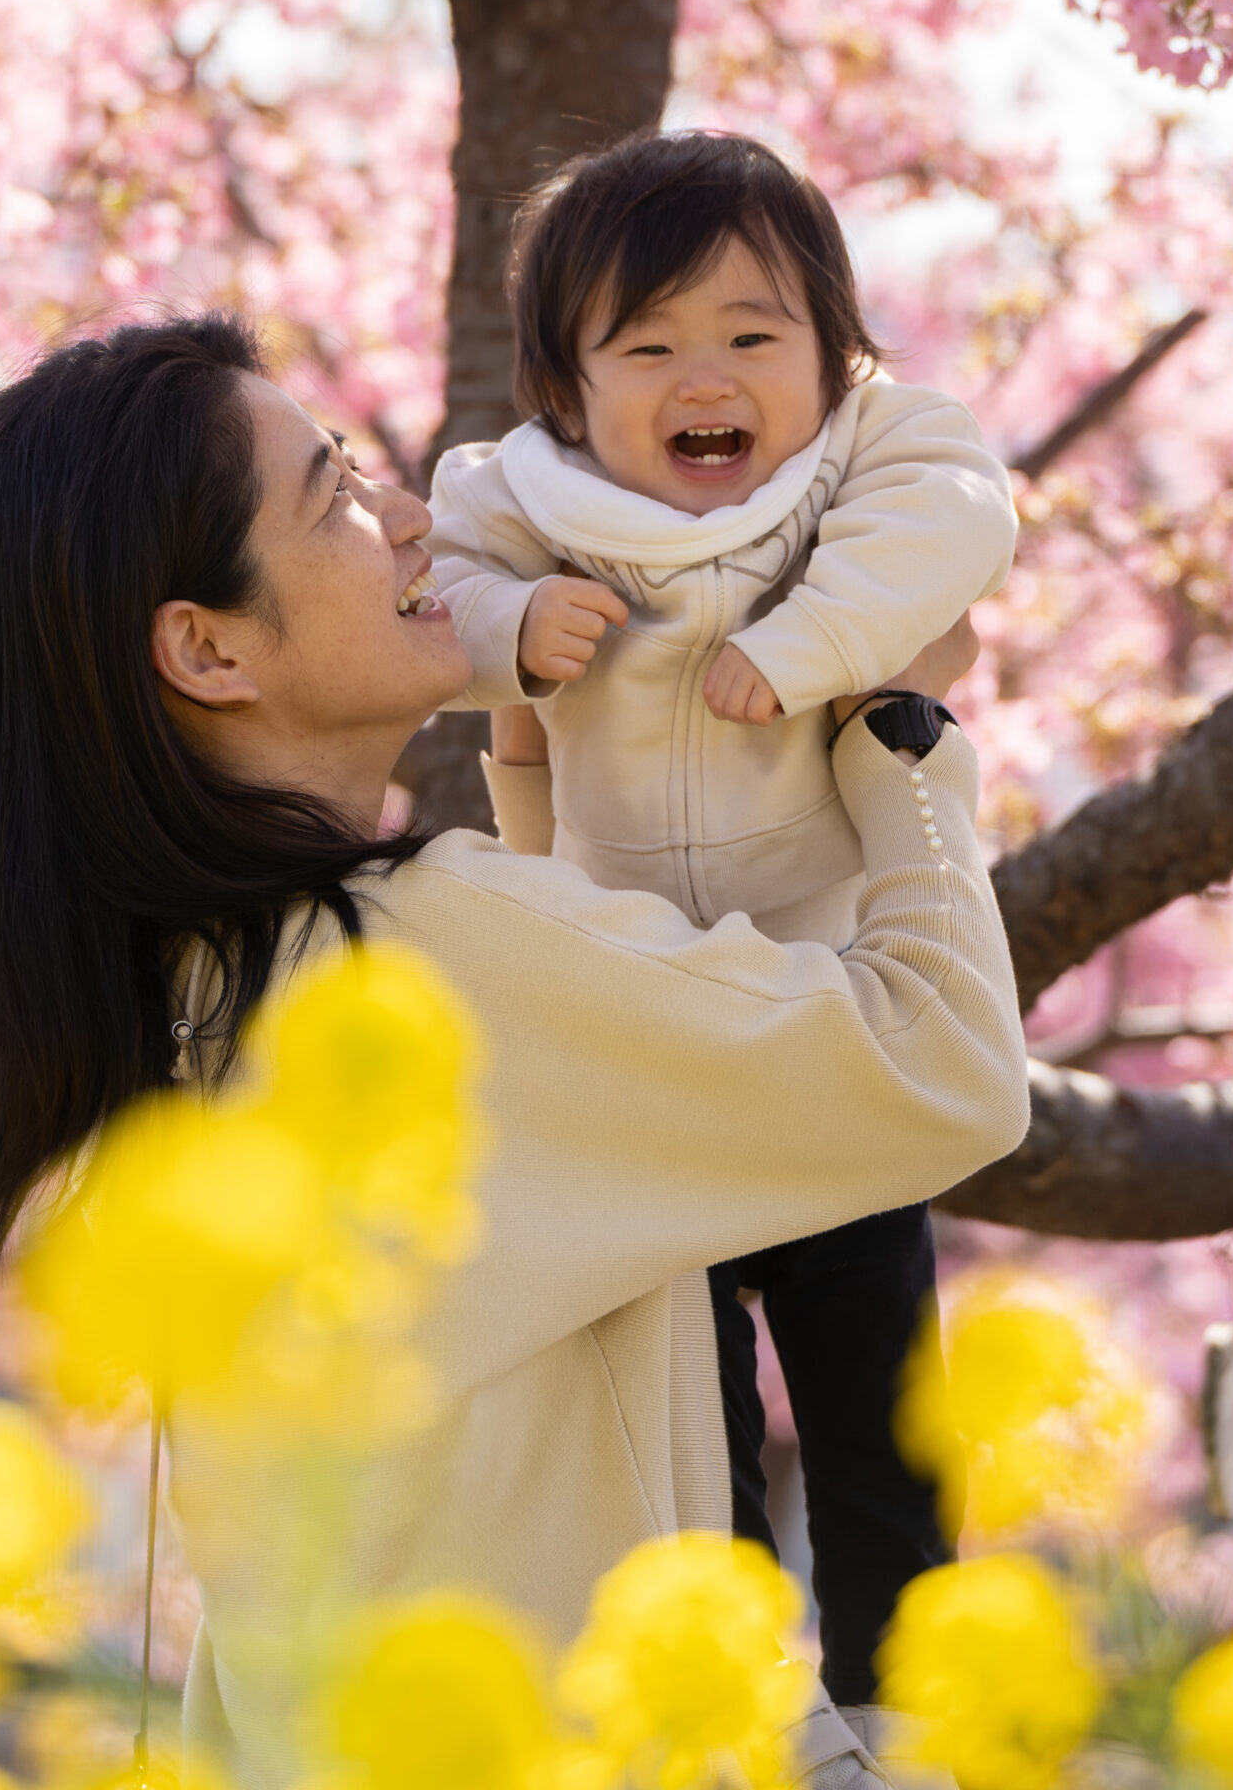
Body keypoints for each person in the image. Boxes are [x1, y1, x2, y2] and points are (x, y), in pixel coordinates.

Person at [0, 313, 1028, 1788]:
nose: (408, 514)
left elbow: (556, 1182)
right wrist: (899, 729)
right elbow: (940, 1069)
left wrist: (544, 776)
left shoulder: (178, 1018)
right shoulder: (416, 959)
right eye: (333, 495)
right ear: (208, 649)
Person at [427, 131, 1019, 1711]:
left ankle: (907, 1698)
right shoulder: (526, 504)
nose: (709, 377)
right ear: (566, 389)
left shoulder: (866, 463)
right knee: (685, 1419)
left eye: (755, 336)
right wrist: (511, 636)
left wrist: (821, 636)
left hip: (822, 1022)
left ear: (834, 352)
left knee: (874, 1393)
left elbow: (956, 522)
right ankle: (747, 1700)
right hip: (648, 1049)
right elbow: (443, 591)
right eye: (649, 346)